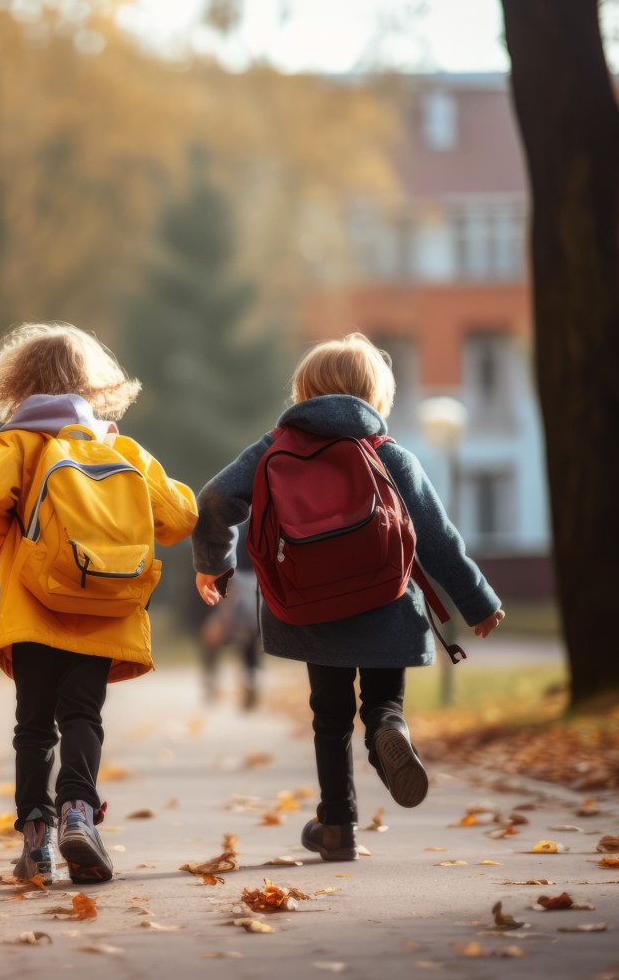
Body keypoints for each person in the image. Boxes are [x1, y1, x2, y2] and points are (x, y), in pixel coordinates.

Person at [192, 332, 504, 862]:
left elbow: (215, 498)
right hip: (385, 602)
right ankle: (388, 730)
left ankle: (337, 826)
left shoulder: (274, 448)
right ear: (376, 396)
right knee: (382, 703)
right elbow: (436, 534)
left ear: (303, 393)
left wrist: (214, 564)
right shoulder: (388, 455)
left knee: (329, 717)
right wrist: (478, 601)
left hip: (308, 606)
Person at [0, 323, 198, 885]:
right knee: (83, 714)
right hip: (104, 606)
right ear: (93, 384)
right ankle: (79, 814)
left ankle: (35, 840)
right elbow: (180, 517)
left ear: (17, 384)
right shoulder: (118, 447)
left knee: (33, 726)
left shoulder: (17, 443)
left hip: (33, 607)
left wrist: (3, 550)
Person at [195, 566, 263, 710]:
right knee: (248, 645)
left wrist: (221, 620)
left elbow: (229, 587)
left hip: (240, 613)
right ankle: (250, 681)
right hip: (253, 610)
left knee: (213, 639)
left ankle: (213, 683)